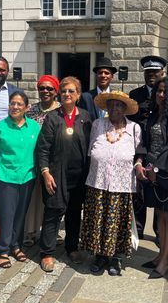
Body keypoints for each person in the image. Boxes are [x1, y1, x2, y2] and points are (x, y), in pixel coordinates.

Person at [80, 91, 141, 276]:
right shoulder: (98, 125)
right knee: (98, 220)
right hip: (97, 181)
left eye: (119, 105)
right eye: (111, 105)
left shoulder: (134, 128)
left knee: (117, 222)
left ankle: (115, 258)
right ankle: (100, 256)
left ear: (125, 109)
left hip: (122, 185)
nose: (114, 109)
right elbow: (91, 150)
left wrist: (139, 163)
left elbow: (139, 153)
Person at [134, 76, 168, 279]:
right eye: (158, 91)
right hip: (151, 170)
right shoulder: (154, 114)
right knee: (159, 214)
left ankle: (165, 260)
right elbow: (145, 142)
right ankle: (160, 255)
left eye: (165, 92)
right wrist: (140, 162)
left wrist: (155, 170)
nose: (160, 95)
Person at [38, 76, 92, 272]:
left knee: (74, 213)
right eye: (64, 91)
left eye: (71, 91)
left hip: (79, 177)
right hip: (56, 175)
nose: (66, 94)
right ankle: (47, 252)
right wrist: (45, 173)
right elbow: (43, 149)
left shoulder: (86, 117)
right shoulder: (53, 118)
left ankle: (72, 247)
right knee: (53, 212)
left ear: (78, 95)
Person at [0, 91, 40, 268]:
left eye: (19, 104)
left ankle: (16, 246)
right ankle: (2, 250)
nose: (15, 107)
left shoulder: (34, 127)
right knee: (6, 215)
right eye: (12, 103)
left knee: (20, 215)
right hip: (5, 177)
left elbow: (40, 151)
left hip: (27, 177)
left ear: (26, 107)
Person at [129, 55, 165, 242]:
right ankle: (139, 229)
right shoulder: (135, 95)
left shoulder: (166, 94)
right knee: (139, 193)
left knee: (159, 192)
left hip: (160, 151)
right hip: (139, 150)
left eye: (155, 72)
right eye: (148, 72)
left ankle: (159, 232)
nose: (151, 75)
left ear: (162, 73)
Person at [24, 74, 61, 247]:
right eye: (42, 88)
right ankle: (31, 232)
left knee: (51, 198)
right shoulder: (30, 111)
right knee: (33, 198)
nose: (45, 91)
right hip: (32, 159)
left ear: (56, 91)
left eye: (49, 88)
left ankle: (50, 232)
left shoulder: (61, 110)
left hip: (54, 162)